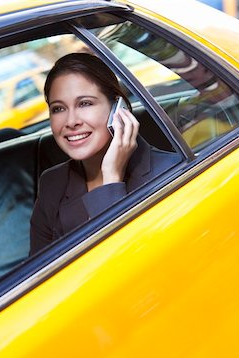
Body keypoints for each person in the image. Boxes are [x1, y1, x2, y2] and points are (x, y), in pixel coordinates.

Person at [30, 53, 182, 255]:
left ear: (117, 108)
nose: (71, 121)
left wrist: (111, 179)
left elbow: (126, 261)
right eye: (58, 108)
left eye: (85, 103)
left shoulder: (171, 172)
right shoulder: (52, 183)